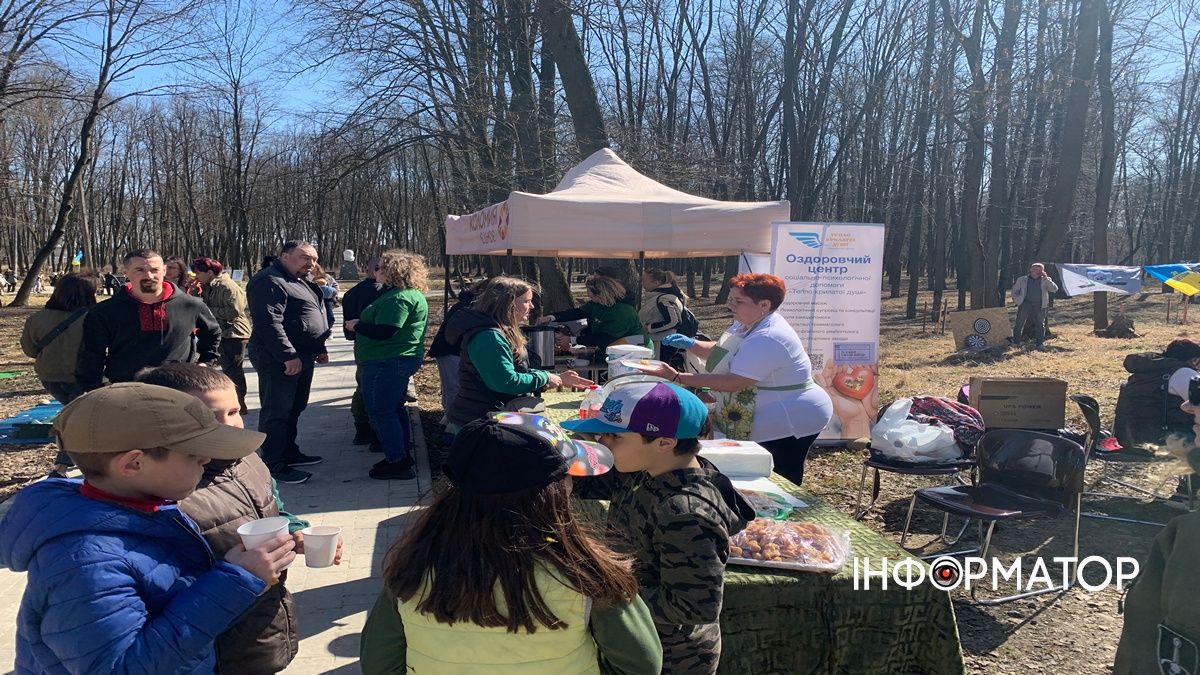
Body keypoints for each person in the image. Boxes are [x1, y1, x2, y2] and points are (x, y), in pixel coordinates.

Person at [0, 382, 295, 674]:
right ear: (133, 464)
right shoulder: (86, 563)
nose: (207, 459)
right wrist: (237, 580)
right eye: (193, 454)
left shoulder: (147, 509)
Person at [359, 412, 663, 674]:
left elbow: (379, 665)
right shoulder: (587, 574)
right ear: (553, 493)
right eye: (568, 476)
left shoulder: (411, 569)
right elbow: (642, 665)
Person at [136, 363, 339, 675]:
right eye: (210, 416)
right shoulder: (164, 490)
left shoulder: (247, 460)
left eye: (234, 411)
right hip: (205, 647)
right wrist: (236, 575)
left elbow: (276, 510)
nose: (229, 425)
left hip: (260, 626)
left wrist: (297, 532)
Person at [564, 382, 754, 675]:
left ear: (664, 442)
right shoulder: (644, 470)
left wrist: (609, 593)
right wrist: (578, 452)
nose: (605, 442)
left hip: (672, 656)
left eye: (614, 436)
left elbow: (694, 606)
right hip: (636, 636)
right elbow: (586, 481)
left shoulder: (685, 513)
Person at [636, 273, 833, 485]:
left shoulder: (768, 336)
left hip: (791, 418)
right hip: (765, 412)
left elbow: (735, 382)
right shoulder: (745, 324)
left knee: (780, 476)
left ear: (764, 304)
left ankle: (784, 514)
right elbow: (722, 351)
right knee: (756, 473)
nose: (731, 305)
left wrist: (676, 376)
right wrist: (691, 344)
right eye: (731, 299)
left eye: (738, 301)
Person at [443, 276, 593, 432]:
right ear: (509, 303)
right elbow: (506, 381)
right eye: (526, 301)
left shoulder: (499, 331)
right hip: (479, 423)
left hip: (489, 419)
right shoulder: (488, 337)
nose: (532, 306)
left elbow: (513, 370)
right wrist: (545, 377)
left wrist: (556, 378)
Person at [76, 248, 221, 391]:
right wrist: (92, 388)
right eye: (140, 270)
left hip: (179, 389)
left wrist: (205, 363)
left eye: (154, 270)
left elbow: (212, 333)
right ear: (125, 273)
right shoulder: (105, 311)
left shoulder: (191, 305)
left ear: (164, 271)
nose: (149, 276)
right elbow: (91, 354)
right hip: (126, 390)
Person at [247, 240, 331, 484]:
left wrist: (319, 347)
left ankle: (289, 451)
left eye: (314, 259)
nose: (311, 263)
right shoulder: (270, 280)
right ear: (284, 256)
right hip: (278, 357)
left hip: (303, 354)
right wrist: (287, 355)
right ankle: (273, 464)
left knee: (295, 407)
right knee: (277, 410)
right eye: (305, 257)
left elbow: (311, 315)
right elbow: (269, 323)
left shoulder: (299, 280)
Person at [344, 250, 430, 480]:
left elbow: (386, 331)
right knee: (393, 408)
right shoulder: (400, 294)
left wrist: (357, 325)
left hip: (388, 360)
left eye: (380, 267)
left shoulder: (400, 298)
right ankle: (400, 453)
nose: (375, 271)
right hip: (391, 359)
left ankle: (398, 461)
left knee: (381, 411)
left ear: (395, 271)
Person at [20, 273, 98, 477]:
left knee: (74, 419)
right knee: (79, 422)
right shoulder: (95, 317)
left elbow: (29, 350)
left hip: (51, 377)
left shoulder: (37, 318)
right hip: (84, 379)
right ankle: (63, 464)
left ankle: (71, 461)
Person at [539, 276, 649, 362]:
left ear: (601, 294)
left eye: (591, 295)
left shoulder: (623, 312)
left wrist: (572, 340)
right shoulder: (598, 303)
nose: (589, 298)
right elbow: (578, 312)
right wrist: (551, 317)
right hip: (612, 348)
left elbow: (604, 338)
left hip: (632, 350)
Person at [192, 256, 252, 415]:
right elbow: (195, 303)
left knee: (232, 370)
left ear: (209, 272)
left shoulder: (227, 285)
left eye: (198, 273)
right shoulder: (206, 286)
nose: (196, 276)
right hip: (218, 331)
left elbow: (234, 311)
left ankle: (239, 404)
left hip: (233, 333)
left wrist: (207, 310)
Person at [427, 279, 487, 423]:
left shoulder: (471, 304)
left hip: (455, 350)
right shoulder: (469, 306)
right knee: (453, 387)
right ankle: (451, 422)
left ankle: (449, 419)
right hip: (449, 350)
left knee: (453, 387)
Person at [341, 258, 386, 447]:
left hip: (361, 345)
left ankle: (361, 429)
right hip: (380, 346)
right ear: (374, 270)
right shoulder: (384, 293)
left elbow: (348, 331)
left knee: (363, 384)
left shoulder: (352, 293)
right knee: (374, 388)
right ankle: (374, 431)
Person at [639, 268, 687, 363]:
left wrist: (649, 328)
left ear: (656, 282)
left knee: (659, 373)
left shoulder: (664, 299)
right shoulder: (660, 297)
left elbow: (674, 321)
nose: (642, 284)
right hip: (658, 342)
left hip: (662, 344)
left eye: (644, 281)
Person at [1010, 262, 1058, 346]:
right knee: (1019, 323)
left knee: (1040, 324)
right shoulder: (1022, 279)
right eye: (1036, 269)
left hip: (1040, 305)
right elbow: (1015, 291)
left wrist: (1046, 279)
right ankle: (1016, 342)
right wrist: (1017, 300)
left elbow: (1054, 289)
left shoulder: (1046, 279)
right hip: (1025, 304)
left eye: (1040, 269)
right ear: (1031, 270)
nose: (1038, 271)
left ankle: (1039, 344)